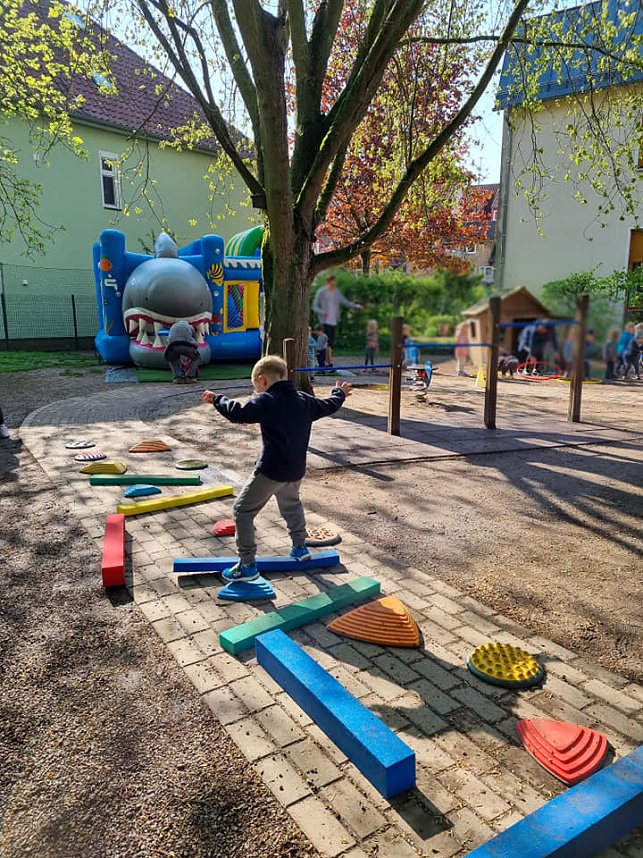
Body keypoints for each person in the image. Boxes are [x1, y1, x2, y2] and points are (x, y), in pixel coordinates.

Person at [202, 355, 351, 581]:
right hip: (295, 469)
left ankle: (247, 565)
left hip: (271, 470)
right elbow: (329, 404)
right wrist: (339, 393)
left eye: (256, 388)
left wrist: (217, 399)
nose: (257, 392)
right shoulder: (304, 400)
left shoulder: (266, 400)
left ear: (262, 381)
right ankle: (300, 547)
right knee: (291, 505)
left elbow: (238, 413)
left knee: (242, 511)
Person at [312, 274, 362, 366]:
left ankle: (328, 363)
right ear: (328, 282)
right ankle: (328, 363)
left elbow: (345, 302)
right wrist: (322, 312)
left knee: (330, 343)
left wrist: (356, 306)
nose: (333, 284)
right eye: (331, 283)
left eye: (334, 283)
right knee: (326, 343)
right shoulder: (321, 292)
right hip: (324, 322)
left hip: (333, 322)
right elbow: (314, 307)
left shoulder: (336, 292)